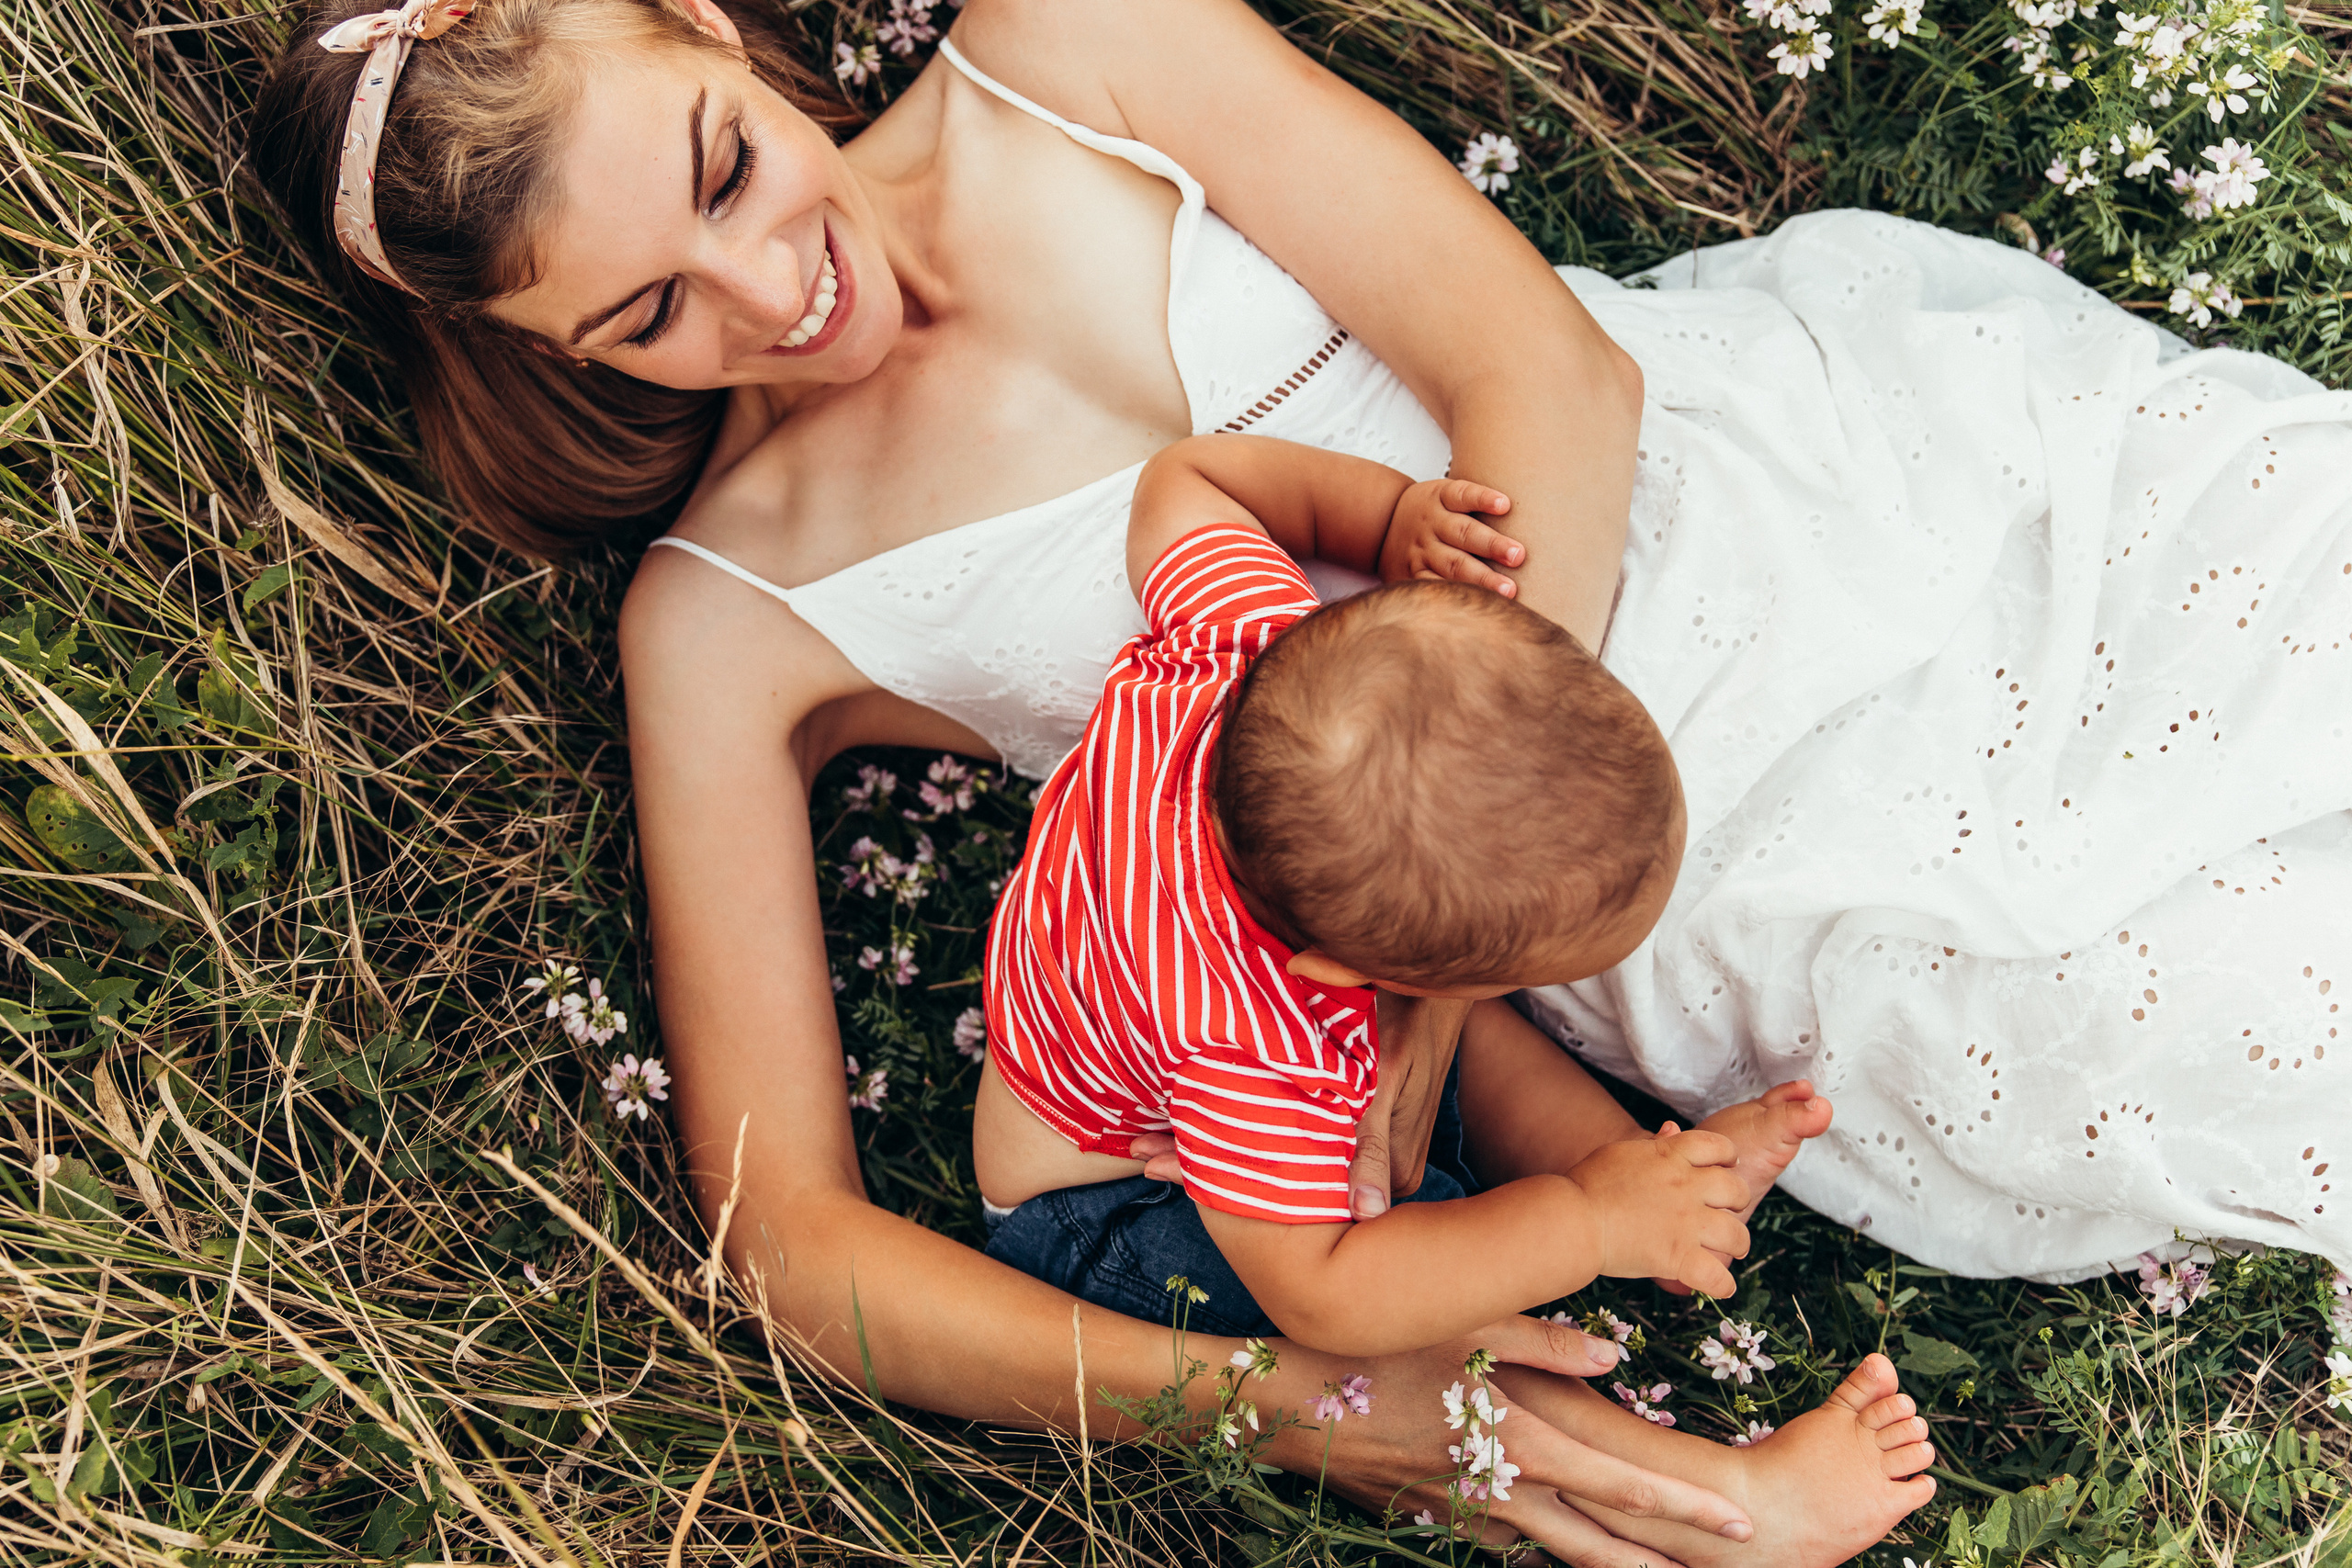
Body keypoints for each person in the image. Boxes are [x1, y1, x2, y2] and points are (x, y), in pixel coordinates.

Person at [251, 0, 2352, 1552]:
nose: (769, 295)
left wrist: (1427, 1004)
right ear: (558, 351)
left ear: (702, 25)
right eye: (647, 314)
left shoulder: (1059, 46)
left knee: (2276, 578)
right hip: (1627, 880)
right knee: (2198, 1005)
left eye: (722, 166)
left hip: (1701, 510)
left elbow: (1542, 368)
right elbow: (786, 1237)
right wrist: (1286, 1387)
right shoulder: (722, 613)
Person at [977, 433, 1835, 1357]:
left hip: (1164, 1040)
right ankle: (1591, 1270)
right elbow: (1328, 1294)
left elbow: (1184, 477)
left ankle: (1652, 1178)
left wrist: (1385, 519)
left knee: (1476, 1047)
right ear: (1340, 973)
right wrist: (1583, 1228)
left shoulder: (1237, 636)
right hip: (1107, 1208)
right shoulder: (1249, 1047)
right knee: (1402, 1277)